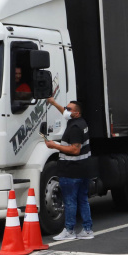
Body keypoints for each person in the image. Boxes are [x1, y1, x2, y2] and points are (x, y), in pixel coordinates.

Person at [44, 97, 94, 239]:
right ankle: (87, 230)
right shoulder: (80, 122)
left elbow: (75, 150)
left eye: (69, 109)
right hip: (83, 169)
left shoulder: (74, 128)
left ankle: (69, 230)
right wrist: (54, 103)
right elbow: (65, 113)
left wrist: (55, 146)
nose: (65, 111)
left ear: (76, 113)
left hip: (71, 170)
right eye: (66, 108)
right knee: (83, 199)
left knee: (70, 201)